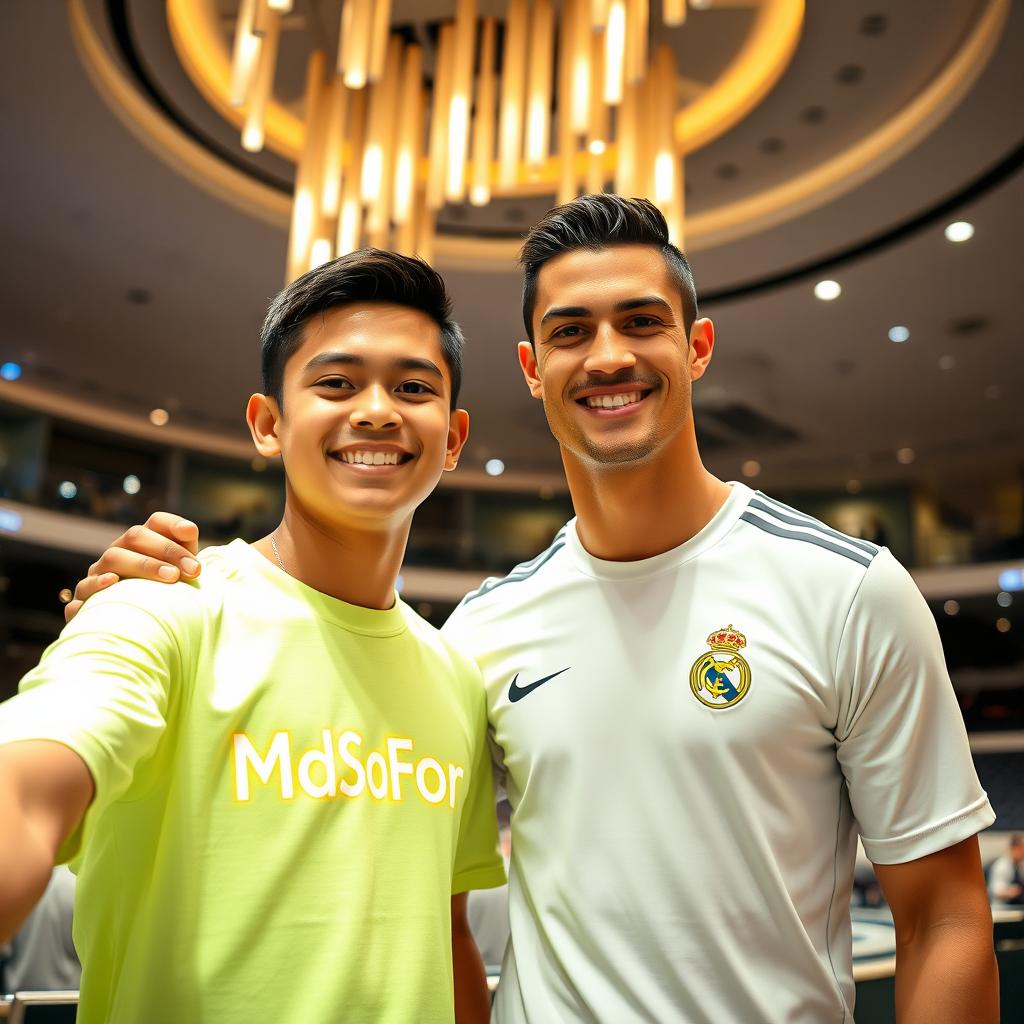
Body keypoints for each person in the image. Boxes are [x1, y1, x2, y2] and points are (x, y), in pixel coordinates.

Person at [66, 196, 998, 1023]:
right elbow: (428, 902)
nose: (608, 357)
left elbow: (948, 918)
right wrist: (119, 614)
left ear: (697, 346)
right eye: (570, 331)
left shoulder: (849, 589)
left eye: (642, 322)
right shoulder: (480, 630)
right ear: (530, 365)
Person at [0, 250, 506, 1024]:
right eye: (336, 383)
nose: (378, 410)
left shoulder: (456, 677)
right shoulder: (161, 607)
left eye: (414, 387)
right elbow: (26, 788)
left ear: (454, 436)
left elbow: (447, 929)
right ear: (269, 424)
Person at [1, 866, 80, 994]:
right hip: (69, 999)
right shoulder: (75, 883)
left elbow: (4, 947)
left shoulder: (19, 884)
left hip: (19, 998)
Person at [988, 834, 1024, 904]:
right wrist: (1012, 891)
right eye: (1021, 848)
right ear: (1013, 848)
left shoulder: (1021, 864)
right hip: (1003, 908)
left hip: (1018, 905)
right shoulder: (1001, 866)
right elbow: (996, 891)